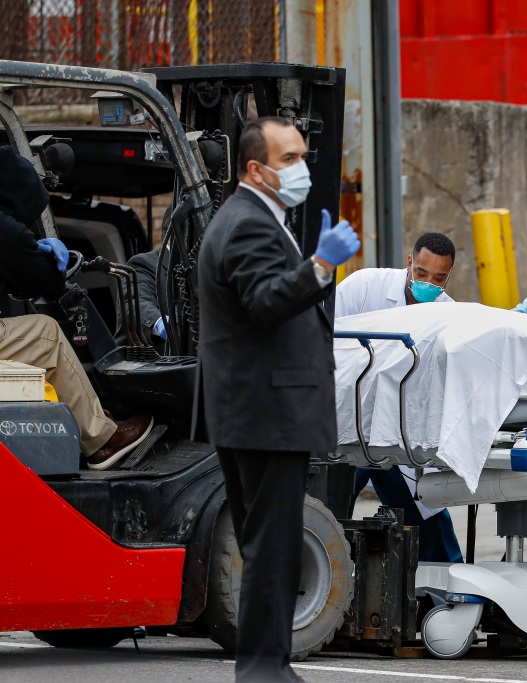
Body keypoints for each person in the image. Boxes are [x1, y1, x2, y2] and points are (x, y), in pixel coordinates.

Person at [198, 117, 360, 681]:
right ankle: (264, 668)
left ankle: (265, 664)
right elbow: (266, 303)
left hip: (255, 409)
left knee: (266, 543)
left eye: (301, 156)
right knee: (272, 546)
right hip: (266, 411)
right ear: (255, 169)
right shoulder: (248, 223)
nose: (301, 168)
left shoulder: (258, 218)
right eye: (288, 159)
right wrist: (320, 264)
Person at [0, 145, 153, 470]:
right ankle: (101, 441)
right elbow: (41, 277)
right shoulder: (5, 228)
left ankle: (89, 414)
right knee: (46, 334)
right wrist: (45, 258)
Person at [335, 232, 464, 564]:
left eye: (438, 278)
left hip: (399, 433)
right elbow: (324, 337)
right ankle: (329, 579)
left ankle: (449, 590)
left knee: (427, 514)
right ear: (409, 262)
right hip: (347, 423)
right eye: (421, 273)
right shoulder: (364, 286)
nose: (428, 283)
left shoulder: (447, 313)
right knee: (330, 508)